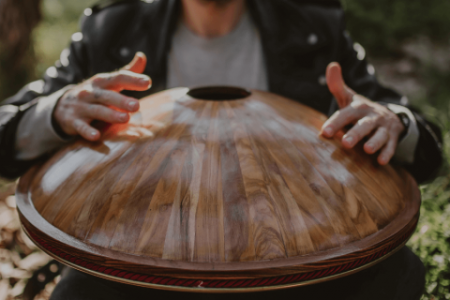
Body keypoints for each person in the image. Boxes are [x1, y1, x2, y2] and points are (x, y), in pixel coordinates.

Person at [0, 0, 442, 299]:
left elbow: (425, 146)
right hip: (145, 264)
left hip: (288, 263)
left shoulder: (310, 24)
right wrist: (56, 111)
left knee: (395, 272)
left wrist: (392, 124)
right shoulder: (113, 28)